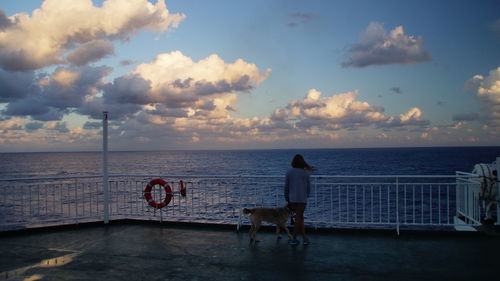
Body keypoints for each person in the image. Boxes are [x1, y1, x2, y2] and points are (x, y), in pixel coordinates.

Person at [284, 154, 314, 246]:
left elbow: (286, 186)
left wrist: (286, 197)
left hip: (292, 199)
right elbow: (308, 187)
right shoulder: (305, 173)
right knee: (299, 217)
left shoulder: (289, 172)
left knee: (299, 218)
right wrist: (306, 195)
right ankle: (297, 238)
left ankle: (301, 238)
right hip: (302, 199)